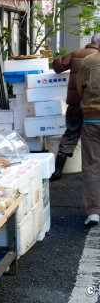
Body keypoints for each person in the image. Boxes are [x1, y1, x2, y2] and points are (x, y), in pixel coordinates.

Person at [49, 35, 100, 181]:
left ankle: (58, 170)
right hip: (93, 107)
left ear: (89, 43)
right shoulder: (96, 58)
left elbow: (57, 67)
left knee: (70, 134)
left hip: (75, 104)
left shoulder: (76, 53)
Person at [76, 48, 100, 225]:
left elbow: (79, 88)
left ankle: (94, 211)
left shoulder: (88, 61)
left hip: (92, 118)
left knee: (92, 165)